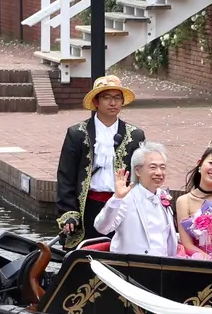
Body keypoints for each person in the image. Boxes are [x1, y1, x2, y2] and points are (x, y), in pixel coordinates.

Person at [55, 76, 146, 248]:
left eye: (117, 98)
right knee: (88, 256)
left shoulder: (135, 135)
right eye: (107, 98)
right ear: (96, 102)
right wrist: (68, 211)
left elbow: (141, 176)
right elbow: (66, 175)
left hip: (122, 207)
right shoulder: (77, 133)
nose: (113, 103)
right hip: (88, 206)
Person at [93, 142, 178, 258]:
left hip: (162, 267)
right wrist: (116, 199)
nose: (159, 173)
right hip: (130, 267)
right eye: (153, 167)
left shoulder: (163, 196)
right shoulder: (127, 198)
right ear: (137, 171)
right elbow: (102, 227)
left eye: (162, 167)